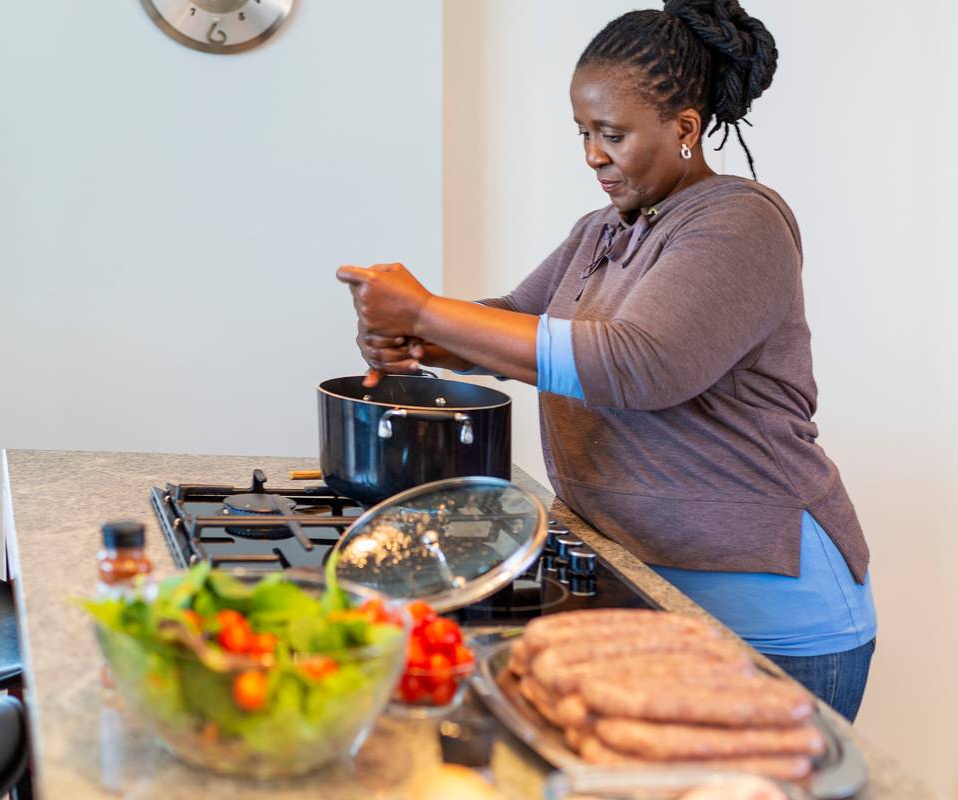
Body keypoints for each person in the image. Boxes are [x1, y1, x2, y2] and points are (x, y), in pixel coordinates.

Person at [336, 0, 877, 721]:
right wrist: (416, 342)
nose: (592, 154)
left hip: (770, 613)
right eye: (584, 133)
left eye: (611, 134)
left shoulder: (741, 220)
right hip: (637, 584)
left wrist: (427, 311)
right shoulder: (600, 231)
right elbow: (517, 328)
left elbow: (638, 366)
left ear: (684, 128)